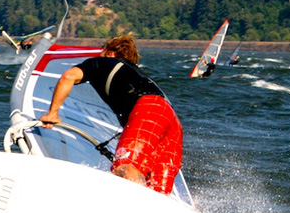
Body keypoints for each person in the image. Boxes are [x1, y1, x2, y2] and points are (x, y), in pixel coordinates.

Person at [39, 35, 183, 194]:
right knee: (158, 188)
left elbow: (68, 76)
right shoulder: (135, 72)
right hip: (172, 120)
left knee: (125, 167)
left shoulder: (102, 62)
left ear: (111, 53)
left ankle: (137, 204)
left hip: (149, 110)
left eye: (103, 51)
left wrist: (52, 114)